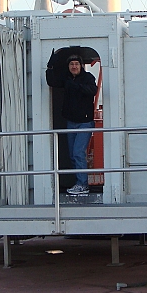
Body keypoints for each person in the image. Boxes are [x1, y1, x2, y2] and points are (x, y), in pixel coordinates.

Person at [46, 53, 97, 195]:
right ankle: (78, 183)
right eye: (71, 64)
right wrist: (49, 67)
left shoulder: (88, 78)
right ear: (68, 66)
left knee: (78, 153)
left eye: (76, 64)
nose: (74, 66)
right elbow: (52, 81)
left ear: (81, 65)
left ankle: (83, 184)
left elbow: (93, 90)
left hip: (85, 122)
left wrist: (76, 86)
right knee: (73, 155)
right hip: (71, 122)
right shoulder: (67, 78)